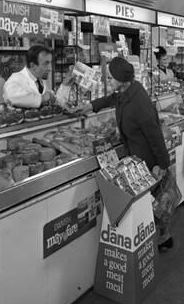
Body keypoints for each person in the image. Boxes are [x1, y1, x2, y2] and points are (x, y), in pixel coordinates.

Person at [74, 57, 173, 249]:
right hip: (135, 155)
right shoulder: (127, 90)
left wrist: (162, 164)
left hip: (147, 159)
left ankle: (160, 237)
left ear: (123, 80)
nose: (108, 81)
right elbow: (112, 98)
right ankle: (162, 236)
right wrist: (90, 106)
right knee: (153, 201)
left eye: (111, 78)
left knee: (154, 201)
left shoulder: (140, 102)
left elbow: (155, 136)